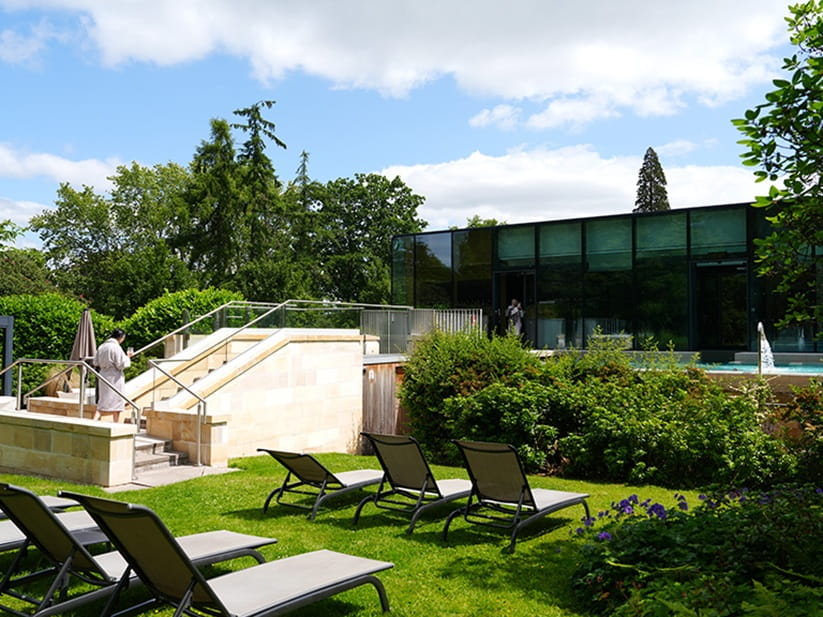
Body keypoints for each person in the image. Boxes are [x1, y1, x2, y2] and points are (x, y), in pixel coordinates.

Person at [92, 328, 132, 422]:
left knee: (102, 401)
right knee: (116, 401)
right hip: (114, 376)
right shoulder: (116, 347)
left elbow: (95, 361)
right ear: (121, 337)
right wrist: (128, 357)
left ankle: (94, 420)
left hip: (103, 375)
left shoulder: (102, 346)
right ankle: (116, 422)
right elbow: (121, 364)